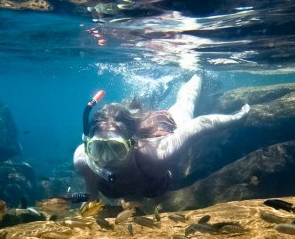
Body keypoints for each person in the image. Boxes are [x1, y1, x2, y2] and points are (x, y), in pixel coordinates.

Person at [73, 75, 250, 200]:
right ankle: (159, 88)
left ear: (132, 145)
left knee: (186, 104)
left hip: (160, 128)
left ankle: (195, 73)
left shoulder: (158, 155)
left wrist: (236, 118)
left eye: (116, 148)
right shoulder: (84, 160)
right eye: (98, 148)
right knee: (135, 108)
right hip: (135, 134)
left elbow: (199, 125)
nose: (106, 159)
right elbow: (92, 201)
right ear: (88, 145)